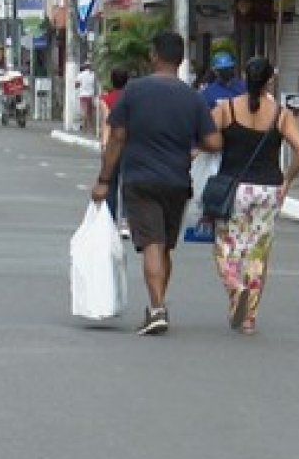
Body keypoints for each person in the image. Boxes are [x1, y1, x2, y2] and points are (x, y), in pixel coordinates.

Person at [92, 31, 223, 336]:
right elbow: (214, 141)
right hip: (177, 182)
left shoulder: (134, 91)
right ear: (180, 60)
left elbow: (117, 139)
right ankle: (157, 304)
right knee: (164, 247)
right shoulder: (193, 97)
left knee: (152, 244)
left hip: (140, 180)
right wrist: (193, 149)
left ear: (154, 55)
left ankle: (157, 308)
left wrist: (103, 180)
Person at [210, 57, 299, 335]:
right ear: (269, 81)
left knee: (226, 247)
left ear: (244, 76)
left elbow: (206, 138)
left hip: (235, 188)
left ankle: (236, 287)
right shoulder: (280, 113)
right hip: (268, 189)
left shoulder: (226, 109)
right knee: (257, 252)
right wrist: (288, 178)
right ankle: (249, 317)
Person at [99, 67, 131, 233]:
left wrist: (104, 144)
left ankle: (111, 221)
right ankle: (125, 222)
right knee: (126, 183)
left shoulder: (107, 99)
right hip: (130, 145)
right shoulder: (132, 98)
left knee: (111, 184)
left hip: (113, 143)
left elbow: (107, 123)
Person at [75, 63, 97, 132]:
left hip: (82, 95)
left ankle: (84, 127)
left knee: (84, 111)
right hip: (90, 95)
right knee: (90, 112)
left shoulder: (80, 75)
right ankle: (91, 128)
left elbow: (76, 85)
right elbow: (95, 84)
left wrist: (80, 85)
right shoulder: (93, 75)